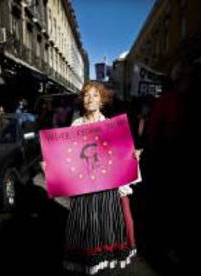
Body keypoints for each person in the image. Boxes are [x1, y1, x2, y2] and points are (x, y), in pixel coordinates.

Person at [41, 81, 142, 275]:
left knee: (105, 225)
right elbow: (67, 156)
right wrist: (50, 165)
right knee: (86, 228)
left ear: (102, 100)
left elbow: (120, 155)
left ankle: (104, 263)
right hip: (84, 188)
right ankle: (89, 263)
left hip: (106, 187)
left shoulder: (111, 126)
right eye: (87, 95)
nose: (90, 99)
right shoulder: (76, 125)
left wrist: (132, 156)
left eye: (95, 95)